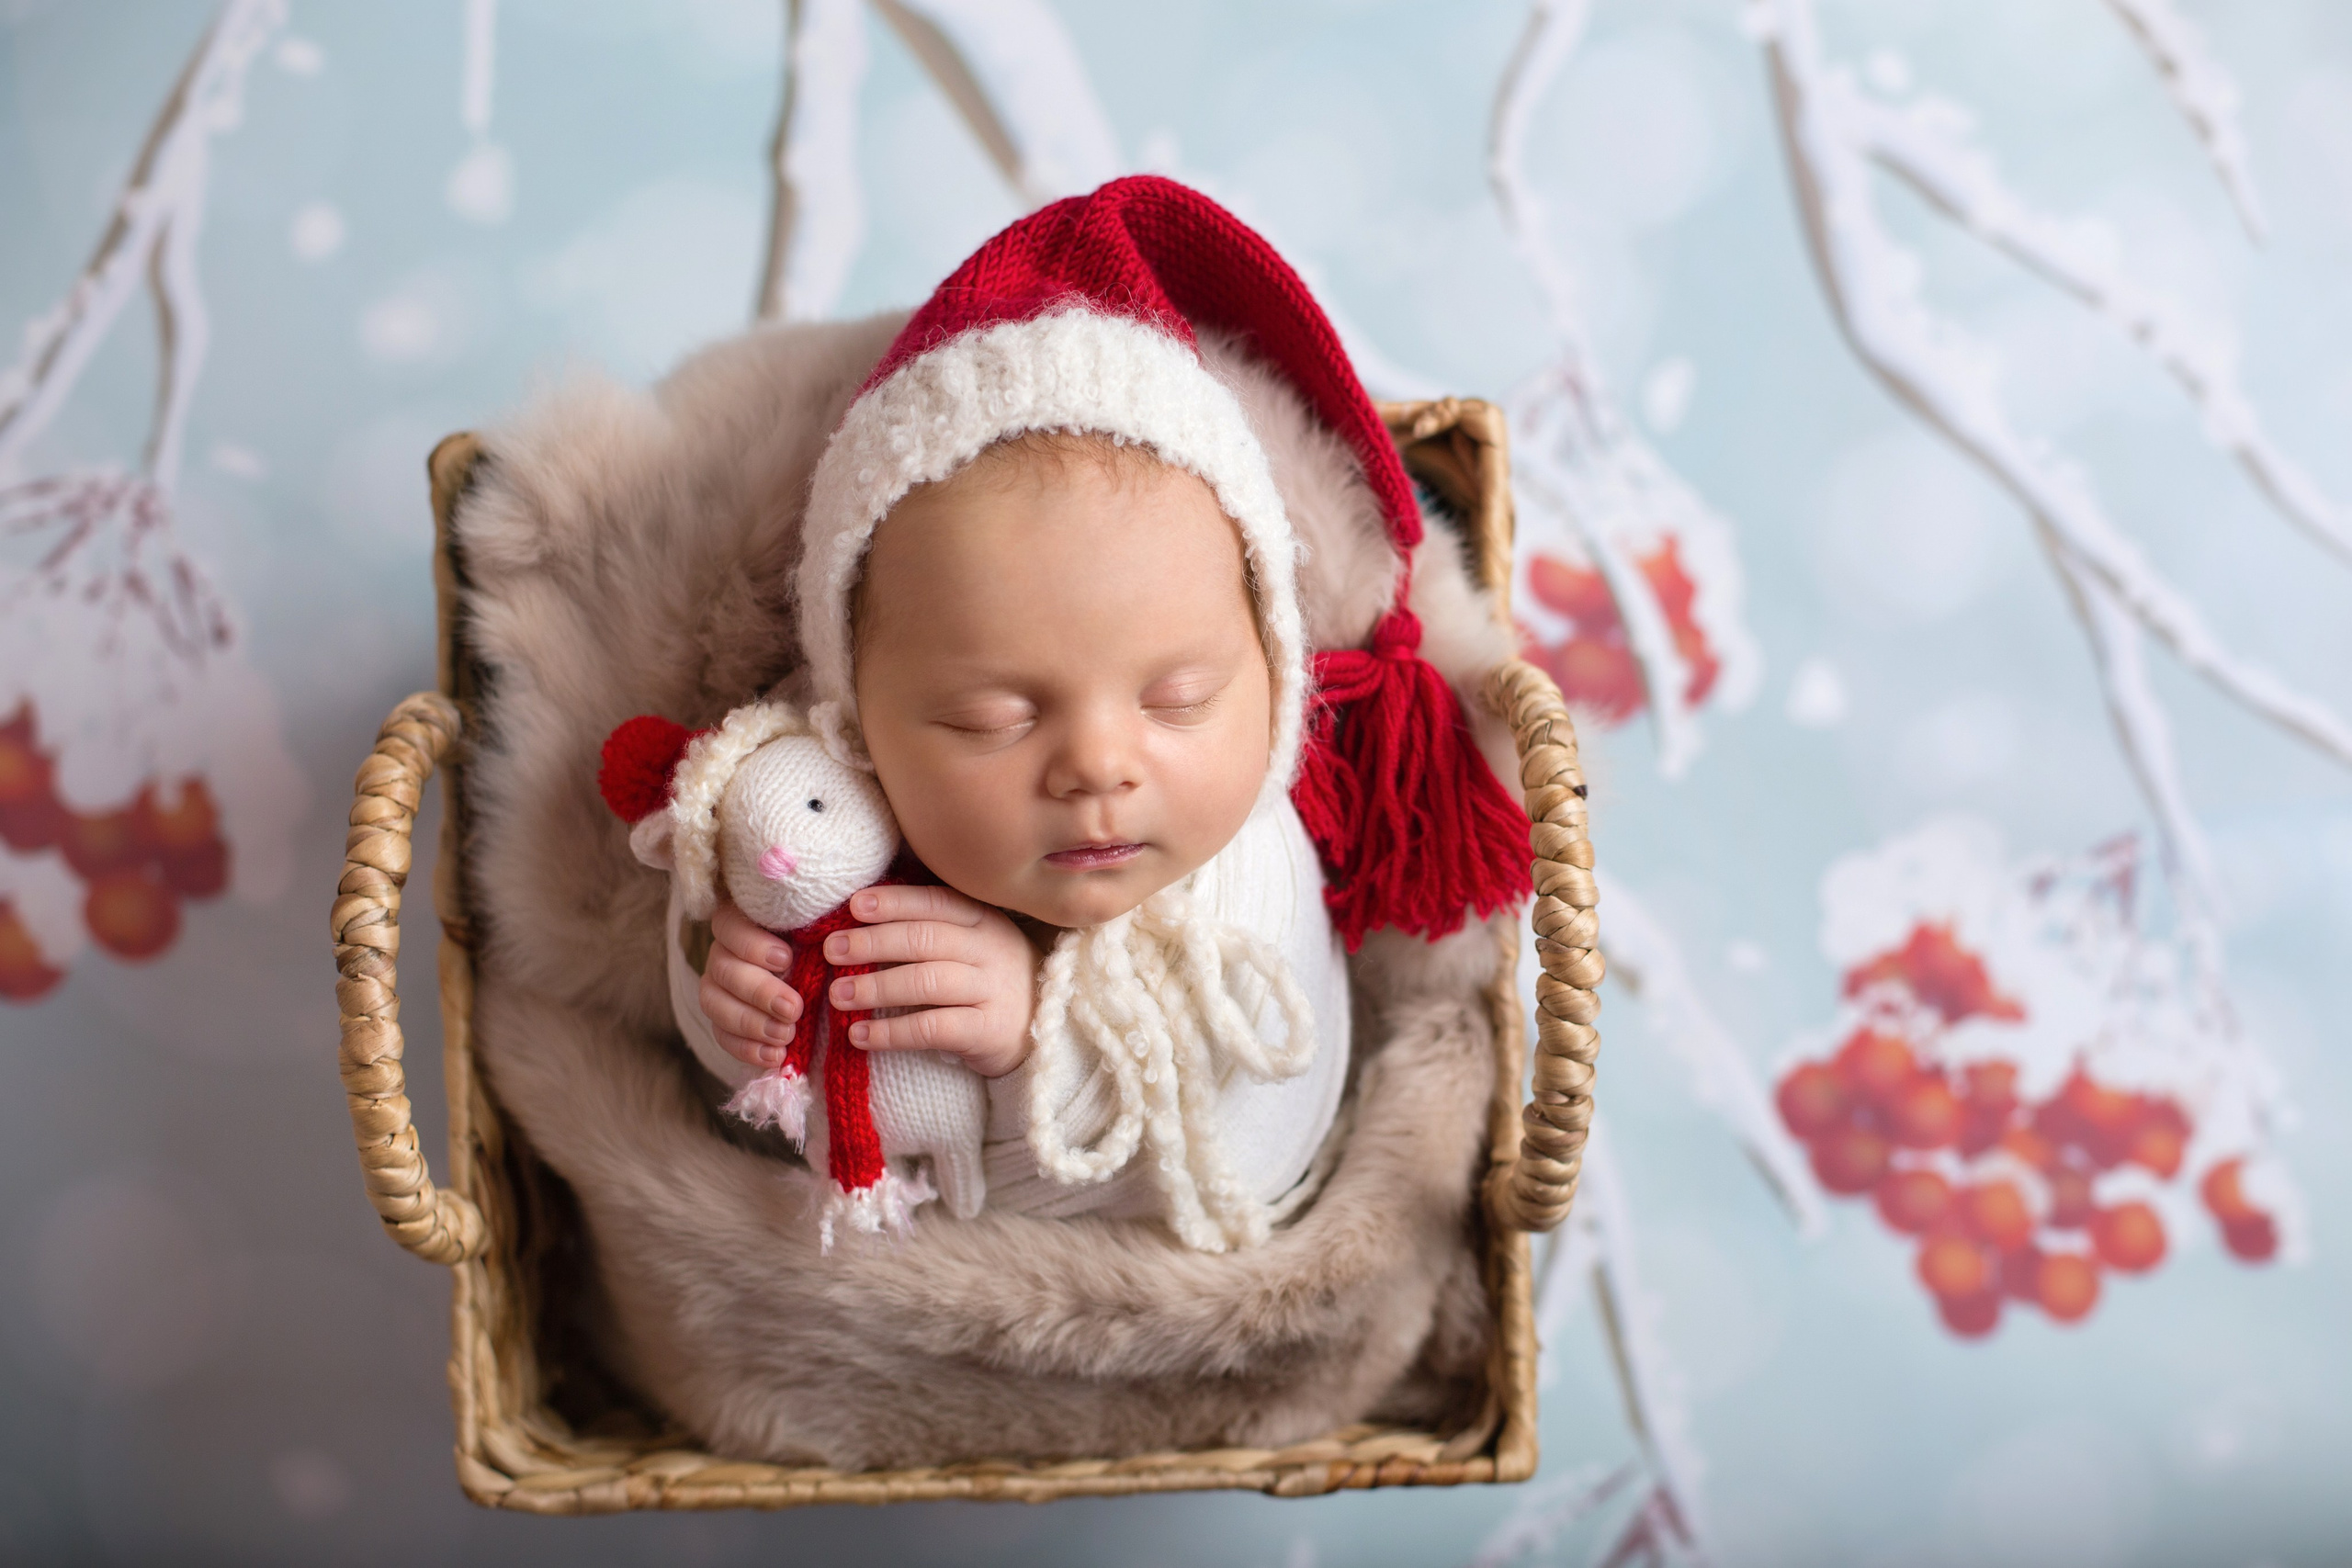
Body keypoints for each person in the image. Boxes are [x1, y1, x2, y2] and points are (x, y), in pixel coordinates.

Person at [679, 175, 1531, 1248]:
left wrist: (1040, 1042)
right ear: (855, 718)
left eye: (1178, 700)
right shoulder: (825, 825)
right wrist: (733, 992)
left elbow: (1258, 1148)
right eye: (991, 716)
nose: (1096, 765)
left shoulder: (1249, 874)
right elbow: (757, 1124)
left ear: (1274, 677)